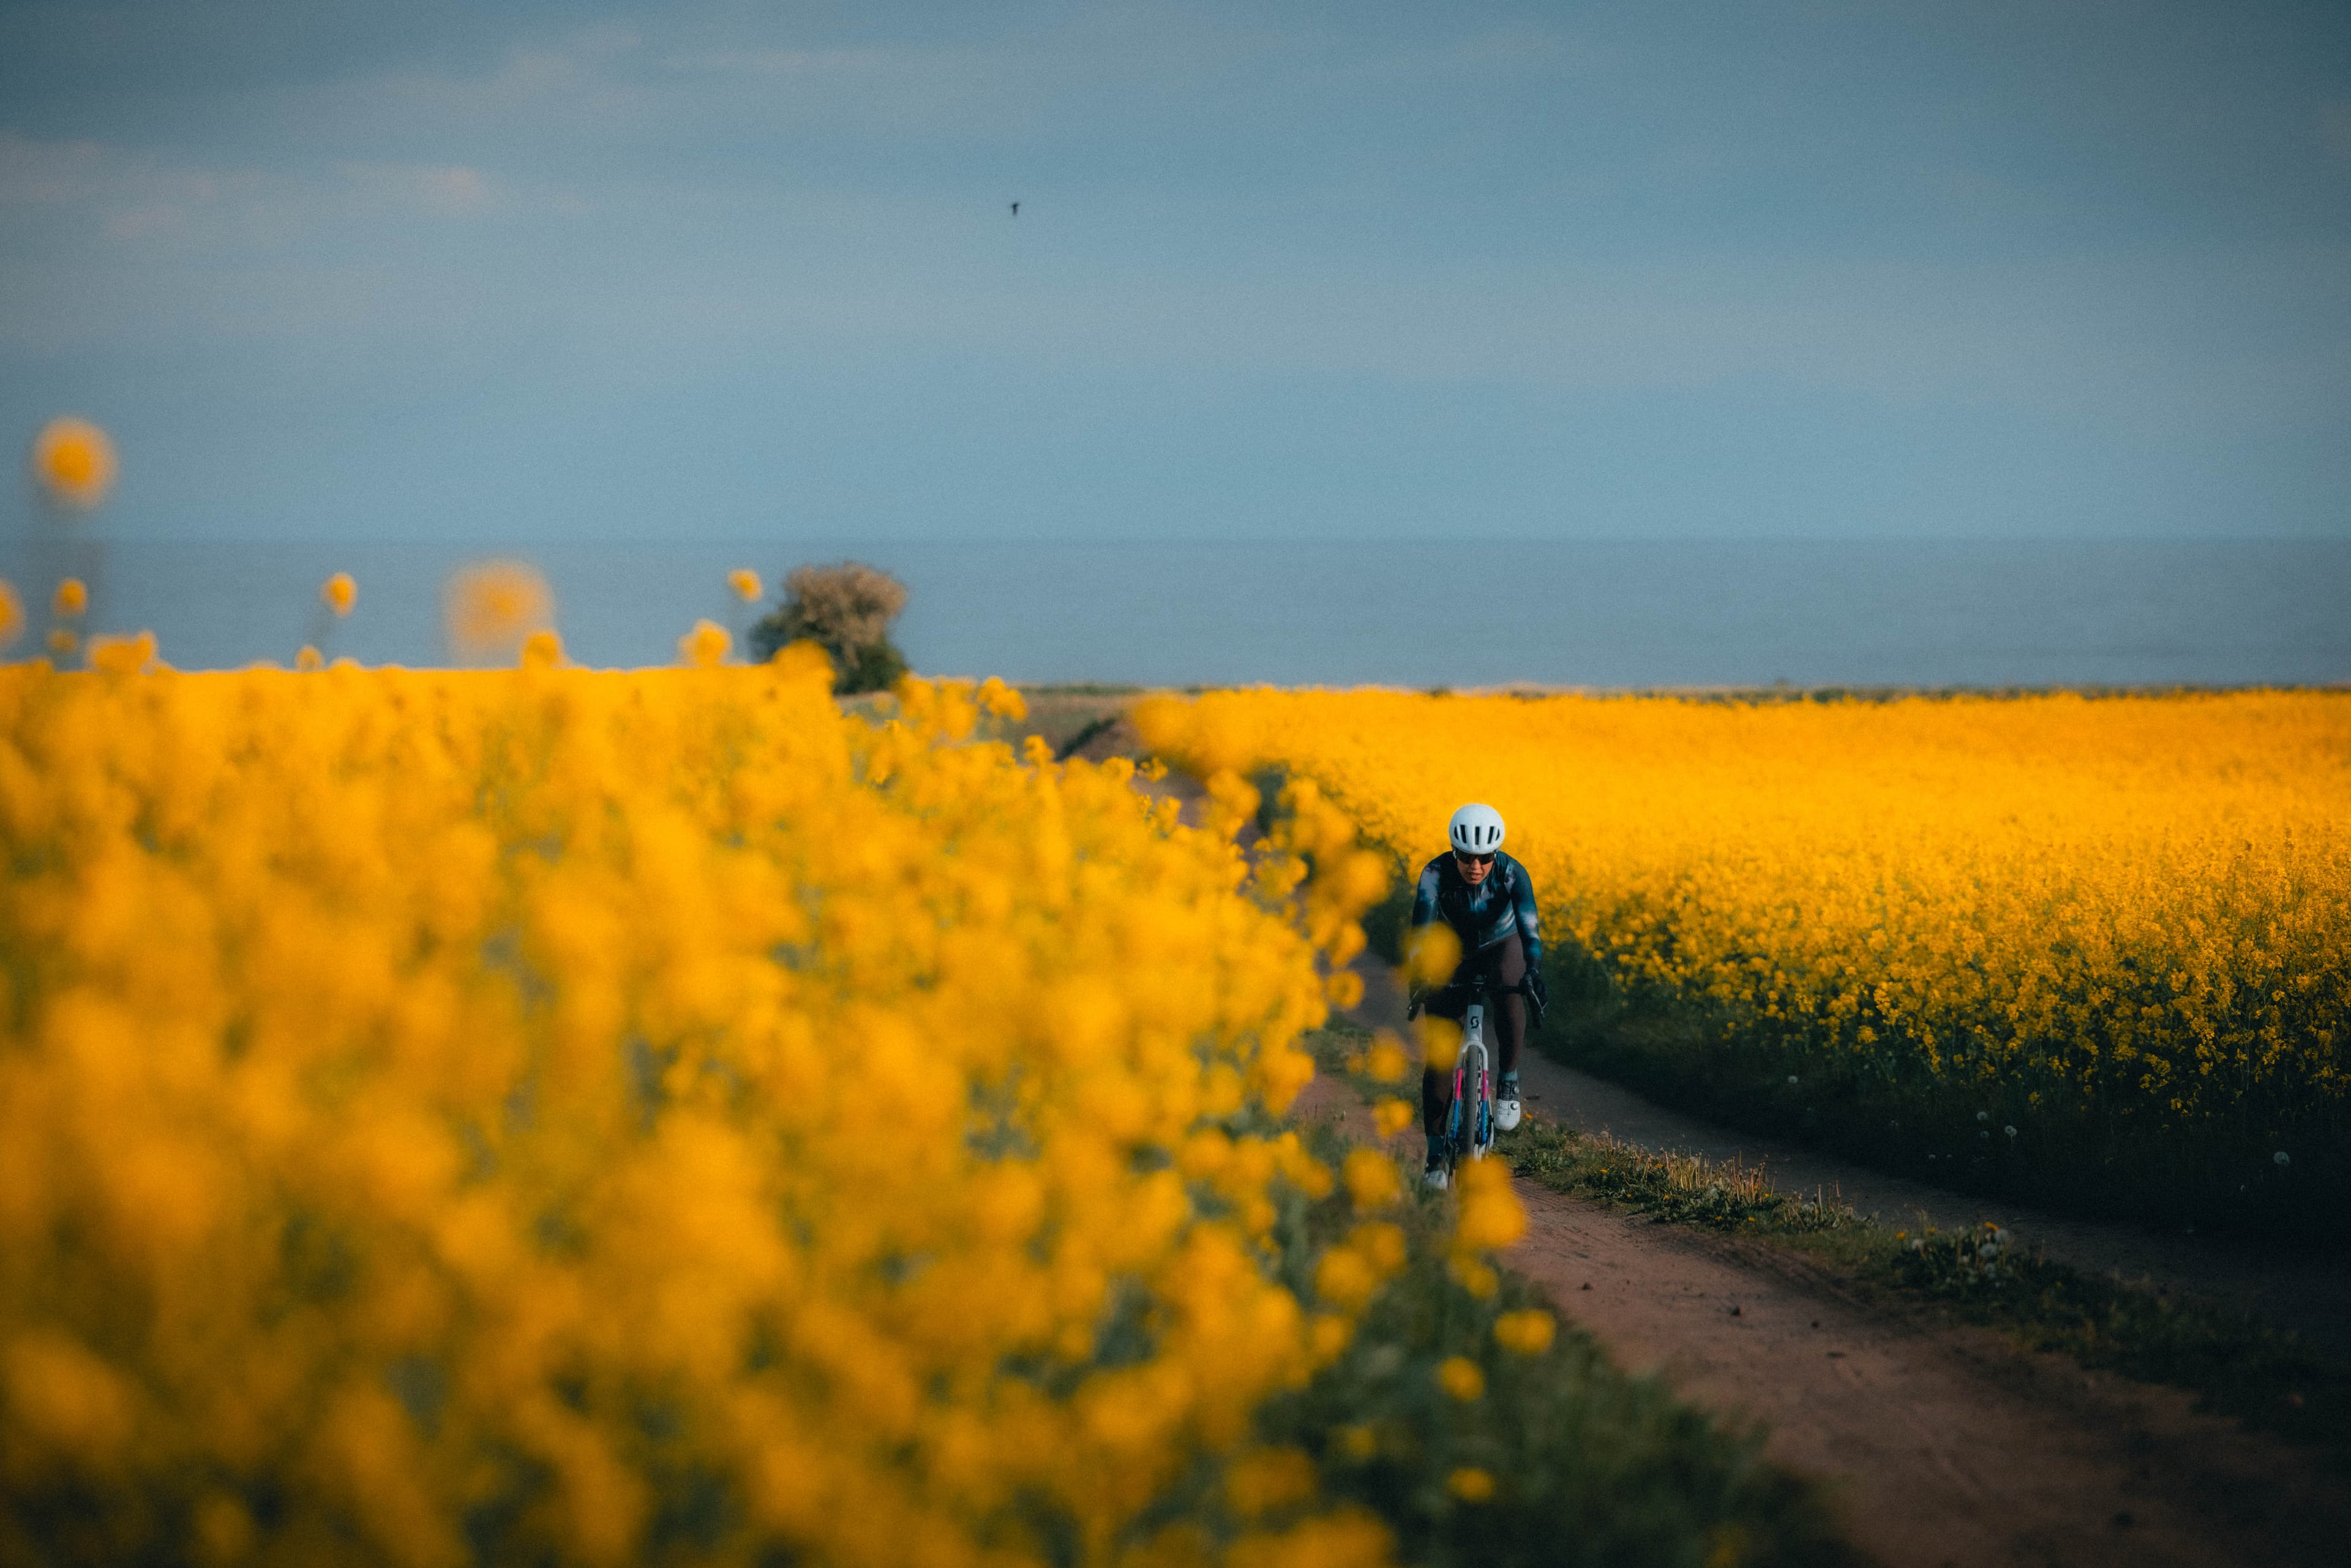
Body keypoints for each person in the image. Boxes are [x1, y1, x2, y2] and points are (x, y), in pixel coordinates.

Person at [1404, 802, 1547, 1188]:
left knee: (1510, 985)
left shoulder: (1513, 873)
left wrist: (1533, 971)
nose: (1476, 866)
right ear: (1455, 852)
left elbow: (1529, 928)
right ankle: (1435, 1158)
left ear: (1495, 855)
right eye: (1466, 857)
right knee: (1440, 1056)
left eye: (1485, 858)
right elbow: (1423, 925)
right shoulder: (1435, 874)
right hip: (1451, 950)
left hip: (1501, 944)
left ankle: (1509, 1080)